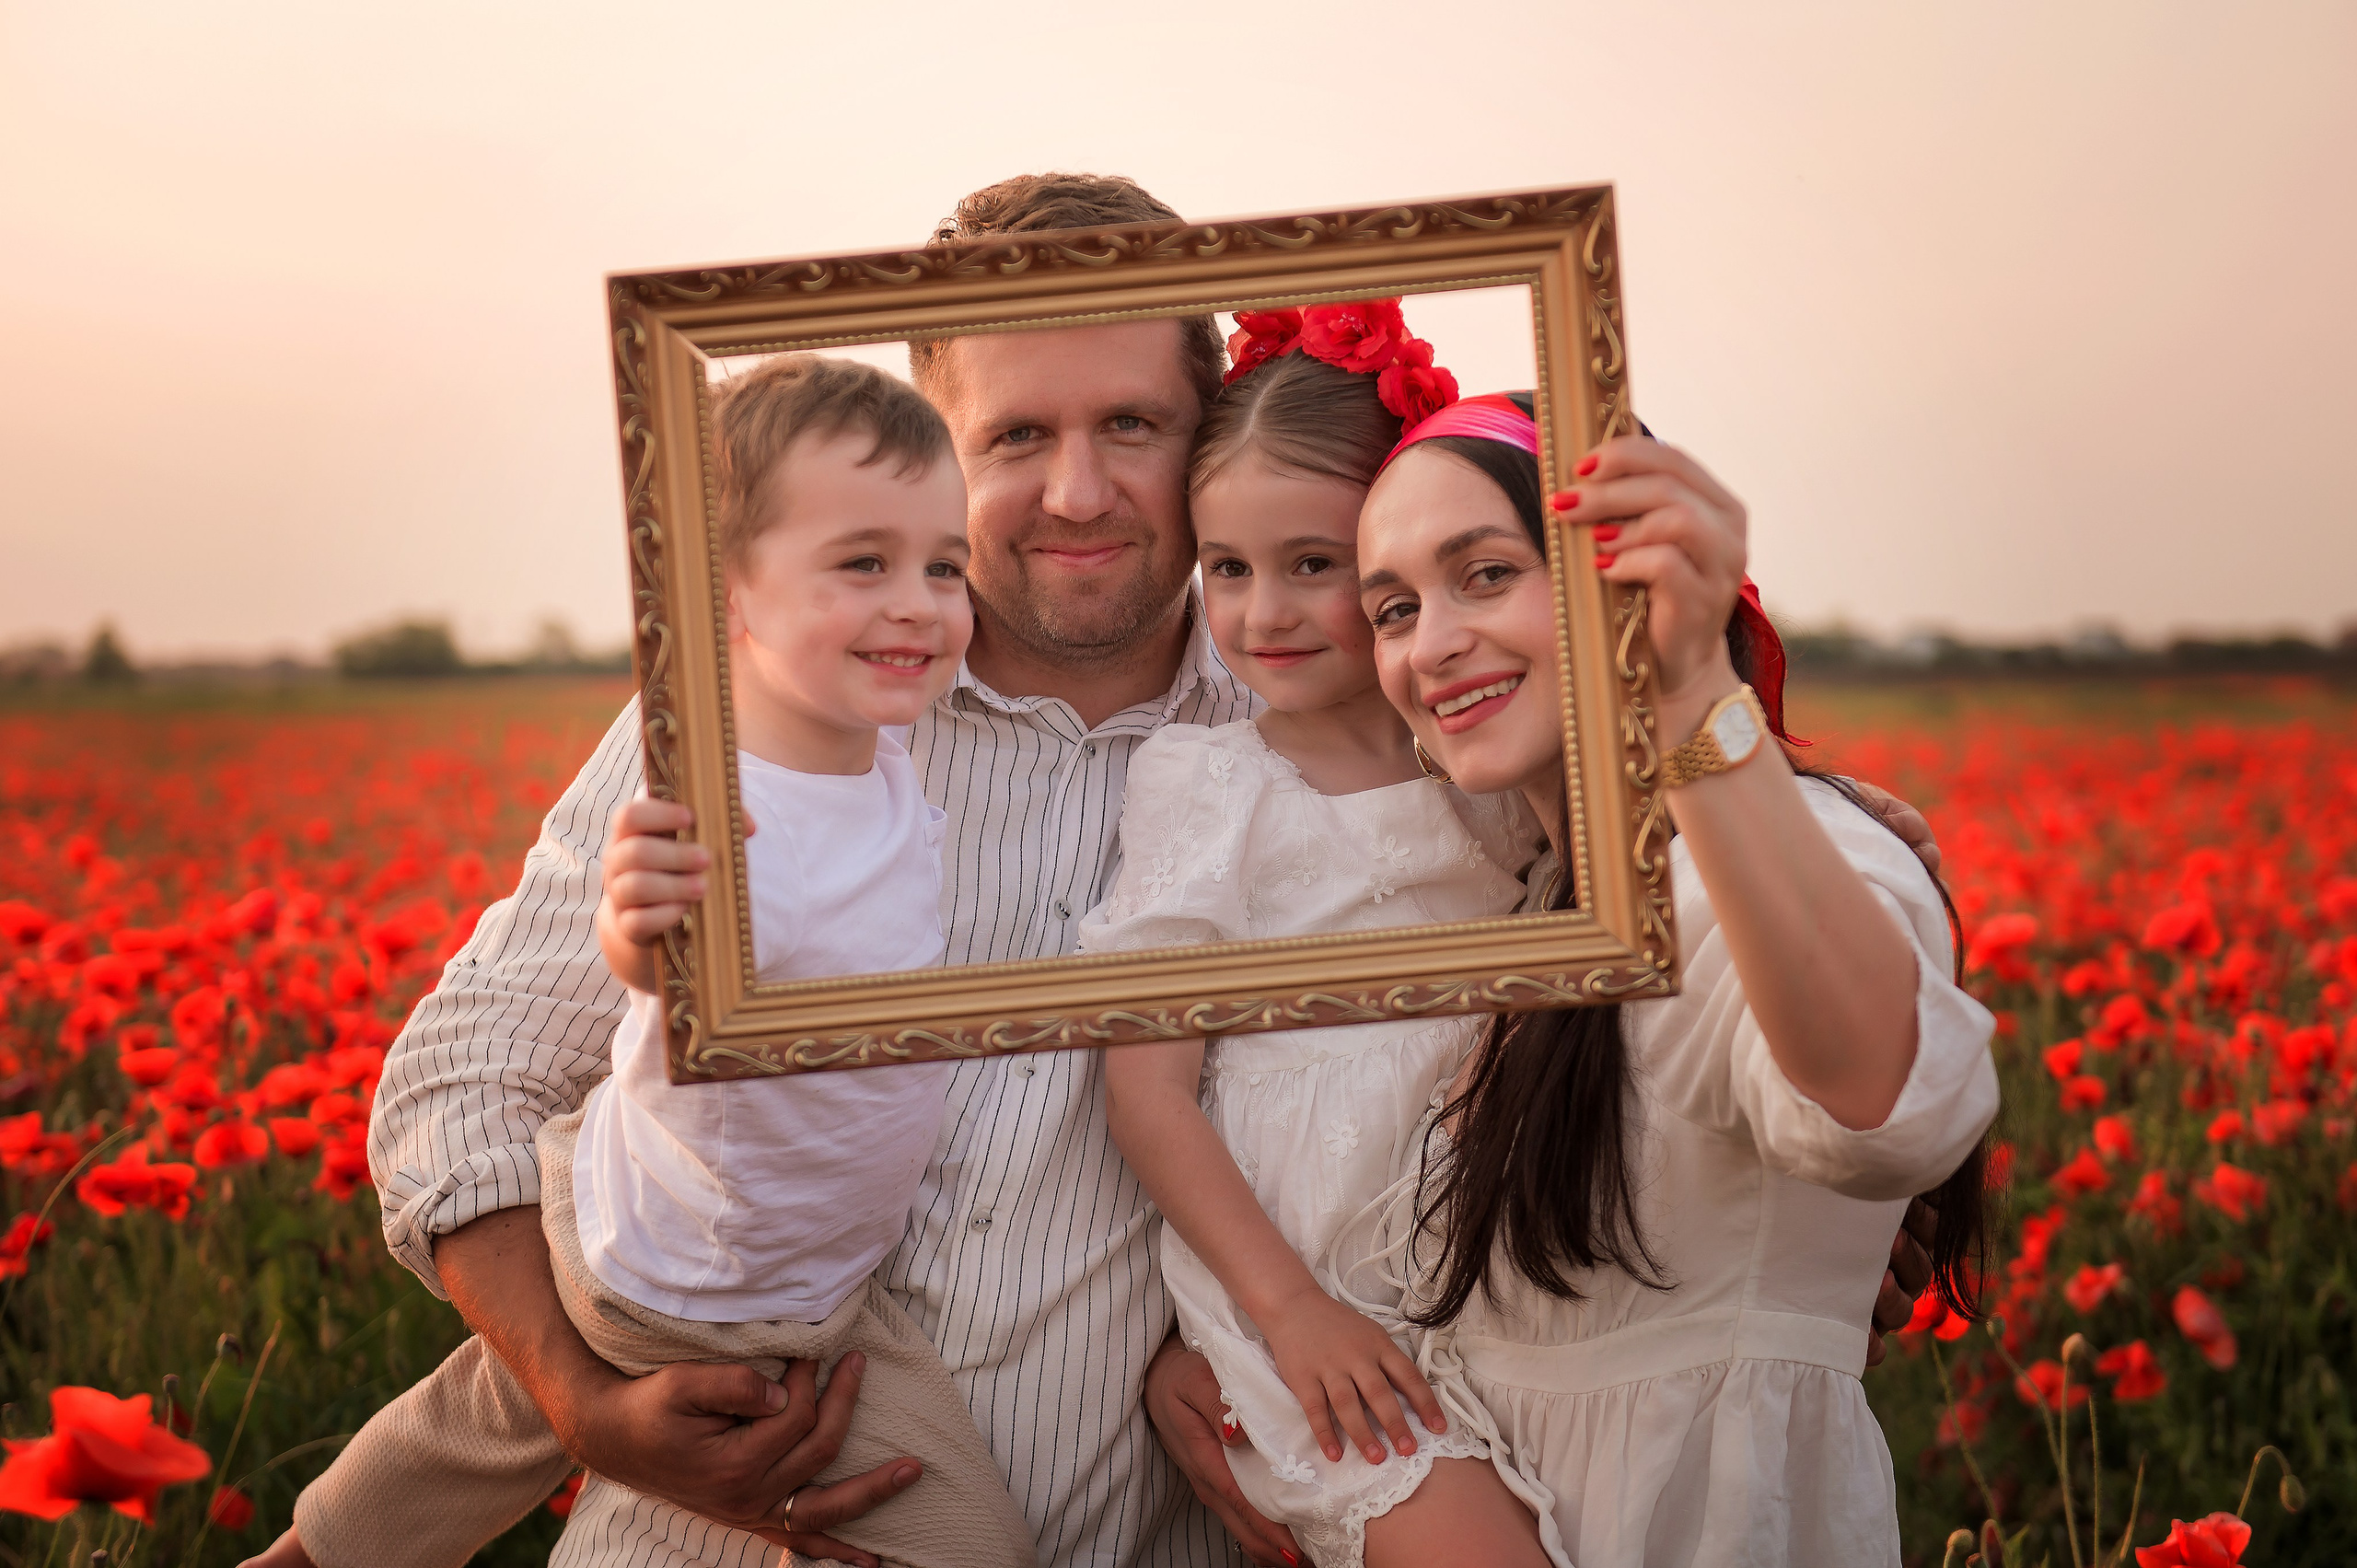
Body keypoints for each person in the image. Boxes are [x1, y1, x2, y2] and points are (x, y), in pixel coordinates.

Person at [253, 172, 1946, 1568]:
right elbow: (465, 1079)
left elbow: (1553, 999)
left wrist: (1262, 1356)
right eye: (1013, 438)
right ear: (936, 441)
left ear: (1208, 423)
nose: (1074, 493)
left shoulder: (1360, 724)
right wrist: (574, 1397)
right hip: (717, 1530)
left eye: (1130, 423)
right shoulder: (775, 705)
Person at [253, 356, 1037, 1568]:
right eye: (863, 562)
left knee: (493, 1412)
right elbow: (650, 936)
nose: (924, 602)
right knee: (964, 1536)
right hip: (706, 1278)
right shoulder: (711, 788)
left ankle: (318, 1549)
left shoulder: (874, 745)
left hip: (737, 1237)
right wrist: (644, 934)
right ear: (724, 596)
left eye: (944, 564)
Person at [1353, 394, 2001, 1566]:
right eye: (1393, 608)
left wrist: (1694, 690)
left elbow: (1887, 1106)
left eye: (1484, 575)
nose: (1427, 643)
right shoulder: (1537, 898)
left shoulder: (1772, 858)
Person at [1090, 304, 1563, 1568]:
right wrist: (1284, 1308)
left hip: (1503, 1277)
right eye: (1229, 567)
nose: (1264, 613)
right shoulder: (1208, 779)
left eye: (1315, 564)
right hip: (1302, 1302)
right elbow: (1147, 1089)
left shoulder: (1489, 764)